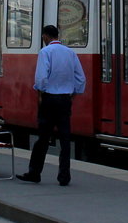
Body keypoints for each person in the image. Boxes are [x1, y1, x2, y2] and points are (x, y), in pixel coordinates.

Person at [17, 24, 85, 186]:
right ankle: (64, 177)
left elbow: (41, 78)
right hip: (65, 99)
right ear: (57, 35)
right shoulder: (70, 53)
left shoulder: (45, 52)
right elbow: (81, 79)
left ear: (45, 36)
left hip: (49, 99)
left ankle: (34, 172)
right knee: (65, 139)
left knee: (43, 138)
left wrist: (41, 94)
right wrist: (72, 95)